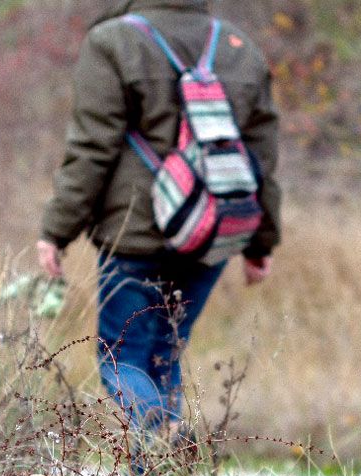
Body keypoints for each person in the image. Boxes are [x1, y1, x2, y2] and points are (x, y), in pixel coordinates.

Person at [36, 0, 281, 435]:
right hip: (212, 232)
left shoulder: (113, 40)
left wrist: (57, 230)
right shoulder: (239, 47)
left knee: (124, 357)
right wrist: (261, 241)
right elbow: (261, 158)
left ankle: (158, 443)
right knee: (163, 353)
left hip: (135, 233)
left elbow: (93, 148)